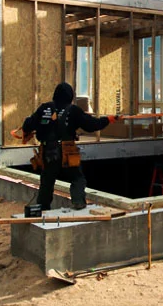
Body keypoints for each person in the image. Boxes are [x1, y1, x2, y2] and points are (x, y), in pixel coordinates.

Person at [23, 82, 120, 212]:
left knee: (47, 182)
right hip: (67, 151)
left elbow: (29, 124)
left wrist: (27, 129)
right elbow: (92, 125)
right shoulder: (73, 110)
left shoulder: (44, 108)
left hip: (48, 152)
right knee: (77, 178)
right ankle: (78, 201)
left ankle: (42, 208)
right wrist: (108, 119)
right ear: (70, 96)